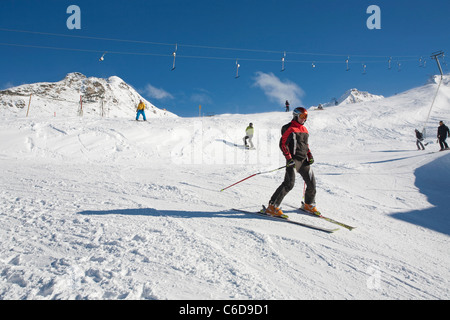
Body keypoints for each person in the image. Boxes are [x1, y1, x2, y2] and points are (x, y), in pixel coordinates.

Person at [265, 107, 317, 217]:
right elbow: (283, 144)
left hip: (303, 161)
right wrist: (289, 159)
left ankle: (308, 204)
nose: (304, 119)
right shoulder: (289, 128)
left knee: (312, 182)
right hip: (293, 161)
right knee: (289, 184)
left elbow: (305, 145)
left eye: (306, 117)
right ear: (296, 116)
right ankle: (272, 207)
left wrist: (309, 155)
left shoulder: (305, 130)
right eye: (302, 116)